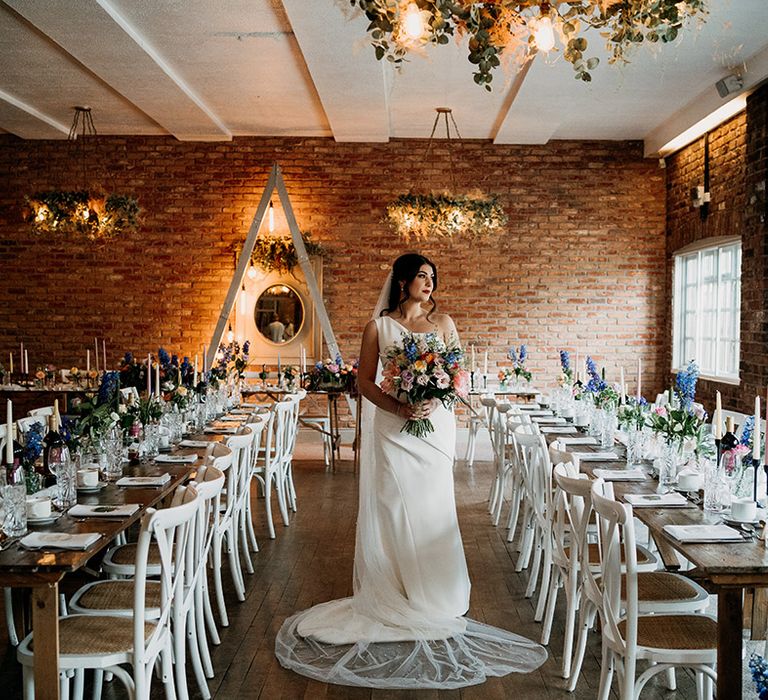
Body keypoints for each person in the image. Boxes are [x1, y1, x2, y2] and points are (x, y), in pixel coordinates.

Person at [275, 253, 546, 689]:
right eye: (422, 276)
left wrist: (435, 400)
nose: (429, 283)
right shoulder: (378, 328)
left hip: (435, 428)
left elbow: (457, 376)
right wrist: (401, 404)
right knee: (394, 506)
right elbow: (364, 382)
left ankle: (435, 594)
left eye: (432, 277)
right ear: (402, 281)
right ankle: (394, 592)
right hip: (393, 428)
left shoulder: (445, 325)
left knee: (432, 508)